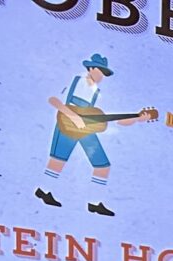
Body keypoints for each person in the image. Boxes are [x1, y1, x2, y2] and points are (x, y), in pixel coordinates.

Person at [37, 55, 148, 216]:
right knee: (57, 160)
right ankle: (43, 191)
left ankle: (94, 203)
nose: (101, 75)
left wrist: (137, 119)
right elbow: (54, 100)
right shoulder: (76, 80)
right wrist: (73, 116)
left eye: (104, 73)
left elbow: (111, 120)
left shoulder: (97, 93)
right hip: (67, 124)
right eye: (100, 71)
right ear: (90, 68)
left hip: (85, 128)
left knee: (102, 165)